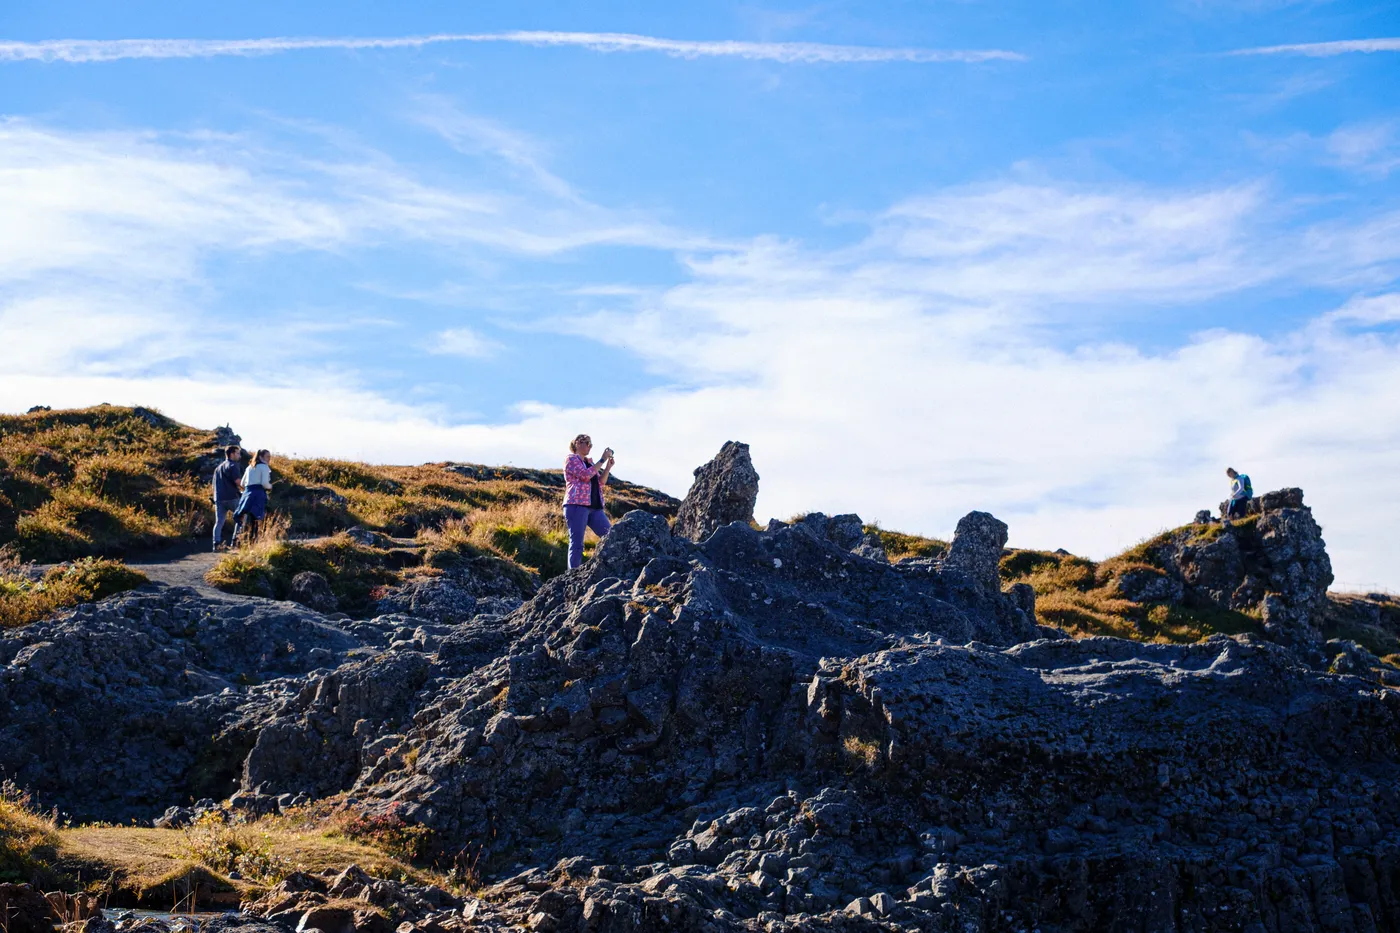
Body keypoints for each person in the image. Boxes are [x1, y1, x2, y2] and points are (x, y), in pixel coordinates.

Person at [563, 434, 614, 570]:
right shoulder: (571, 459)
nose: (590, 447)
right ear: (578, 443)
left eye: (591, 444)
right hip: (576, 505)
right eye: (587, 443)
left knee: (610, 536)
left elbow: (601, 482)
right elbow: (585, 476)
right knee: (577, 543)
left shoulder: (589, 463)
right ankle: (572, 574)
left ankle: (609, 567)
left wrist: (607, 467)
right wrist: (602, 459)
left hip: (594, 507)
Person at [233, 449, 274, 545]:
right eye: (267, 456)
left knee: (244, 519)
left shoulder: (249, 467)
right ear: (260, 457)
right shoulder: (264, 467)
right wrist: (270, 486)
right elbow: (265, 484)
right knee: (256, 520)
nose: (269, 459)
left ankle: (240, 542)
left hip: (247, 494)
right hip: (258, 495)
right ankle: (253, 543)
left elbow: (242, 484)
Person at [211, 445, 245, 551]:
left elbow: (214, 484)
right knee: (241, 518)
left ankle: (216, 544)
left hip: (219, 498)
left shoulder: (218, 468)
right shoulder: (233, 465)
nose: (239, 456)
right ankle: (236, 541)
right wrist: (248, 489)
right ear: (232, 454)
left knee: (219, 521)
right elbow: (238, 482)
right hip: (232, 497)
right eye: (238, 453)